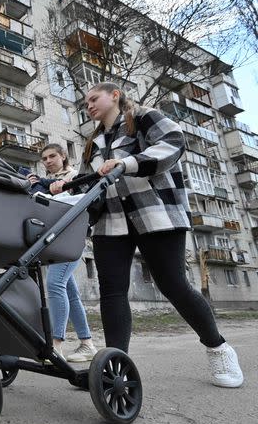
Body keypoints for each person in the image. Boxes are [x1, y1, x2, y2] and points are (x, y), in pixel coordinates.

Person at [51, 81, 243, 387]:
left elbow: (172, 143)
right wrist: (67, 186)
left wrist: (126, 163)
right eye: (85, 103)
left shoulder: (143, 117)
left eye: (93, 99)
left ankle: (218, 347)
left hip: (156, 215)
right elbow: (93, 183)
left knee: (174, 285)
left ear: (114, 95)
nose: (88, 106)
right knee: (112, 291)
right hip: (111, 222)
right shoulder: (94, 141)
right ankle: (115, 369)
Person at [27, 144, 97, 362]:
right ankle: (87, 344)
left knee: (55, 284)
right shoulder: (47, 182)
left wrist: (64, 187)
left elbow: (85, 203)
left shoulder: (75, 176)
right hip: (56, 240)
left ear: (64, 156)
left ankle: (56, 344)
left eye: (52, 156)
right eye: (44, 158)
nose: (48, 161)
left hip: (73, 239)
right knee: (70, 292)